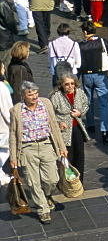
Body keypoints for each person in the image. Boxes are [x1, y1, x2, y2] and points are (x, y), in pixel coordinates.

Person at [9, 80, 68, 224]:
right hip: (27, 148)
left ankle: (47, 195)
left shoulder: (46, 103)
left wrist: (61, 147)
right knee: (33, 181)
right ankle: (43, 210)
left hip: (46, 144)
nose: (34, 97)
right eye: (30, 95)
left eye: (36, 93)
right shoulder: (16, 110)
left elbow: (54, 125)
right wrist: (13, 156)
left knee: (52, 179)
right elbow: (13, 134)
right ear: (23, 96)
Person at [78, 21, 108, 143]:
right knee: (104, 103)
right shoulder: (103, 42)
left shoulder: (80, 45)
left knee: (88, 101)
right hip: (101, 74)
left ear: (85, 32)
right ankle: (104, 130)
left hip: (86, 76)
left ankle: (90, 124)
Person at [50, 73, 89, 179]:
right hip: (64, 131)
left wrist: (80, 112)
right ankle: (68, 181)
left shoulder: (80, 93)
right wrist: (58, 123)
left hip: (77, 129)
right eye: (67, 84)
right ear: (62, 84)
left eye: (72, 84)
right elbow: (50, 114)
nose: (70, 86)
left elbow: (86, 104)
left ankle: (79, 181)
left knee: (79, 156)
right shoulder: (56, 97)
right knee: (68, 157)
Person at [0, 0, 17, 69]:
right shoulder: (2, 3)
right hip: (3, 39)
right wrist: (15, 31)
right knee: (4, 65)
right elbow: (9, 21)